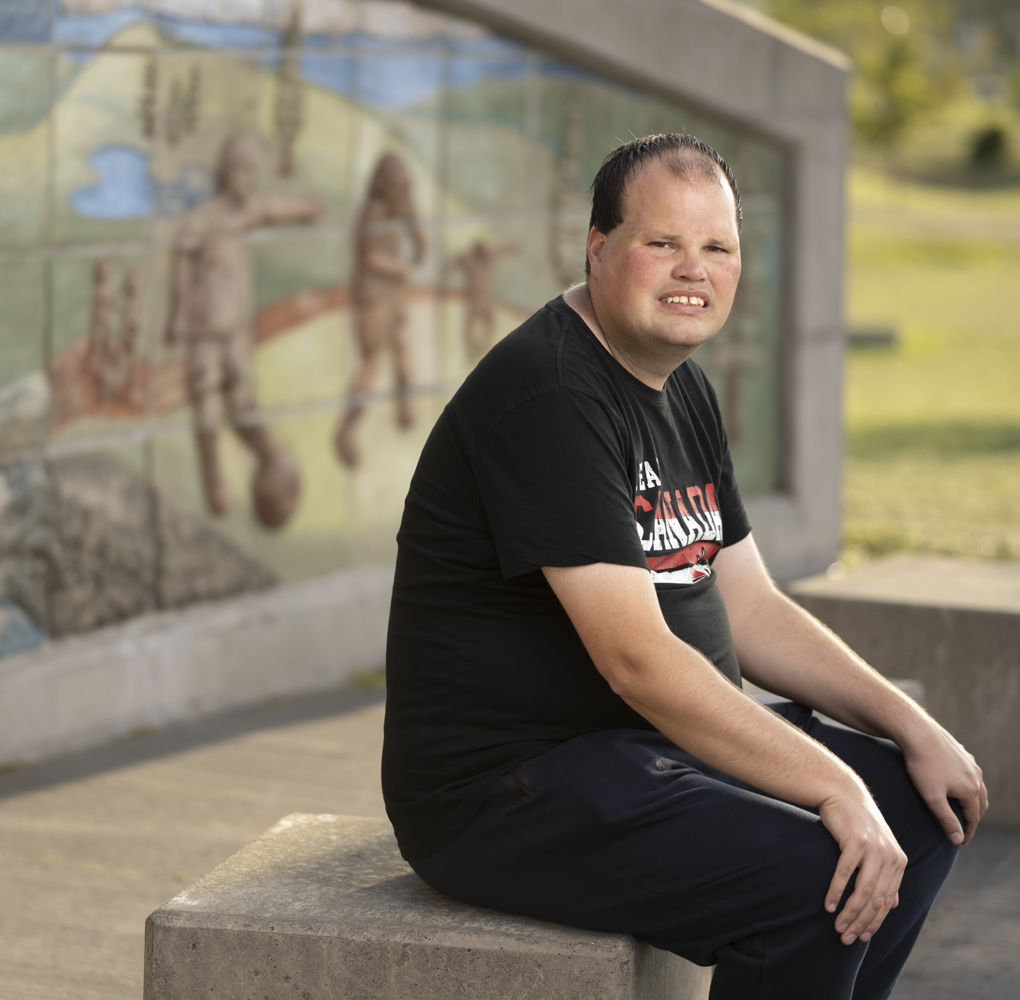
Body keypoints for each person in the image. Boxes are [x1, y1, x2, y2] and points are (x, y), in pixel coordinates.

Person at [382, 134, 988, 1000]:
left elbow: (747, 604)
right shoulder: (553, 395)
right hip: (507, 790)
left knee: (920, 813)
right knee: (817, 873)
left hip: (638, 752)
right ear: (598, 249)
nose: (691, 271)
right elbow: (636, 660)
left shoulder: (677, 380)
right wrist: (832, 786)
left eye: (718, 248)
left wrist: (909, 727)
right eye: (662, 243)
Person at [165, 132, 321, 526]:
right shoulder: (205, 218)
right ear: (226, 172)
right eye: (245, 171)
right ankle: (214, 477)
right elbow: (182, 255)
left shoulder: (245, 211)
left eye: (255, 171)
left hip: (233, 327)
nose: (252, 180)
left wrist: (304, 209)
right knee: (208, 402)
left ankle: (267, 457)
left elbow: (270, 207)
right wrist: (178, 313)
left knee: (241, 396)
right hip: (206, 328)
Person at [334, 151, 425, 469]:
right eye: (397, 186)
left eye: (405, 186)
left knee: (402, 347)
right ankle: (346, 428)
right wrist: (399, 268)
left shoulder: (400, 207)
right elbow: (370, 256)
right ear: (383, 185)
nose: (402, 192)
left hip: (393, 294)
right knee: (371, 361)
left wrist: (415, 225)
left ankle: (404, 405)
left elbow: (420, 241)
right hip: (373, 296)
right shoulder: (372, 212)